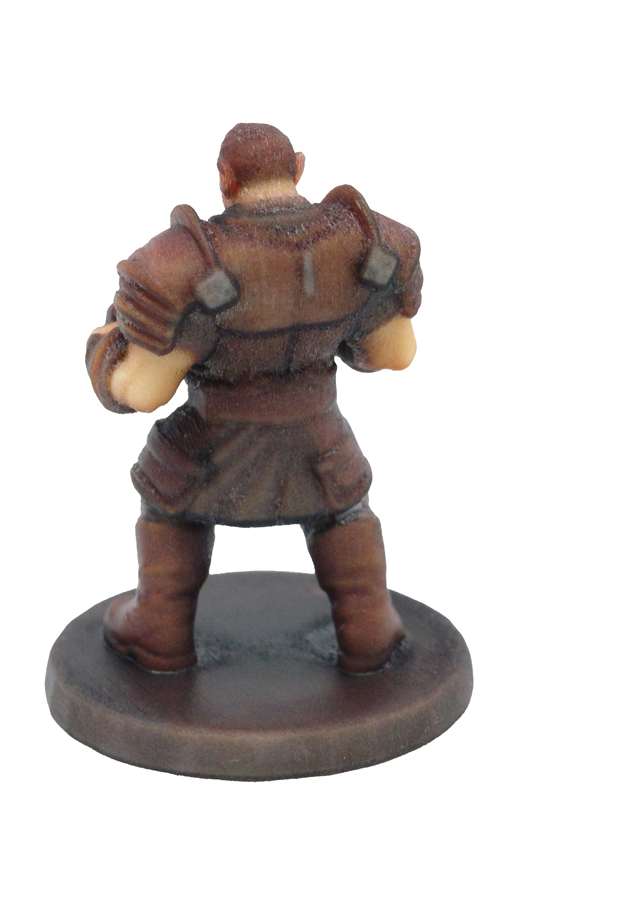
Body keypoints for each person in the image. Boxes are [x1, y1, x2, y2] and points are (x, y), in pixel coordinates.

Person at [85, 123, 421, 675]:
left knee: (169, 503)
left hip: (213, 446)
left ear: (226, 179)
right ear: (299, 168)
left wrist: (105, 348)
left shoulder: (190, 265)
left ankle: (160, 630)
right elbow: (395, 351)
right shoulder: (366, 244)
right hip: (319, 439)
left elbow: (141, 390)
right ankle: (369, 629)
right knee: (344, 511)